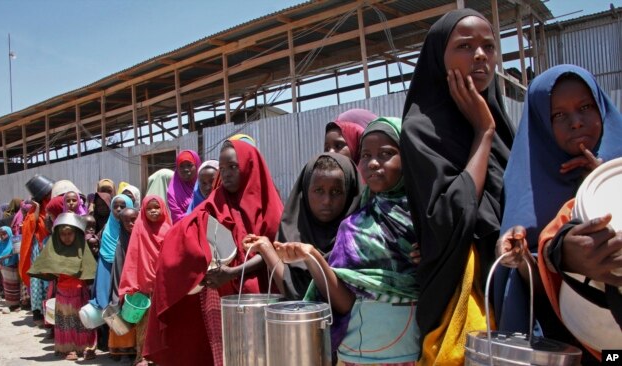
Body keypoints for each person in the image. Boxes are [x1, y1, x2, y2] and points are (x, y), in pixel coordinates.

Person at [253, 117, 420, 365]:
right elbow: (344, 301)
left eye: (386, 153)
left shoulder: (427, 217)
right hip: (355, 353)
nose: (373, 163)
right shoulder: (354, 225)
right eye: (365, 155)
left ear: (408, 156)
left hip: (411, 351)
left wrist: (436, 253)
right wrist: (311, 256)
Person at [399, 9, 515, 364]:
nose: (480, 55)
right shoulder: (421, 130)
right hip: (457, 292)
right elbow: (448, 218)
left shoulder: (502, 123)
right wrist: (482, 135)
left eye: (489, 47)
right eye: (465, 46)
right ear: (439, 56)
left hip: (511, 281)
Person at [496, 65, 622, 361]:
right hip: (566, 343)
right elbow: (531, 294)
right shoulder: (527, 189)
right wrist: (554, 257)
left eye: (585, 107)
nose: (576, 122)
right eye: (559, 115)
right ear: (541, 122)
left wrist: (604, 180)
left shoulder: (617, 173)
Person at [145, 140, 283, 366]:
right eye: (223, 168)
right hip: (222, 296)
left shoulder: (268, 201)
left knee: (262, 355)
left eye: (233, 167)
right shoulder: (216, 201)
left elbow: (276, 249)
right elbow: (187, 229)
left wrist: (235, 271)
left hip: (263, 294)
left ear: (249, 166)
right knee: (227, 354)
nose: (226, 174)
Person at [249, 152, 362, 299]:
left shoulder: (360, 236)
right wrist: (266, 248)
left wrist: (311, 257)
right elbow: (292, 291)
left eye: (336, 192)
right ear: (305, 191)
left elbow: (349, 303)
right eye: (318, 191)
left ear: (349, 192)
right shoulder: (293, 233)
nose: (327, 200)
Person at [28, 213, 97, 361]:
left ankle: (85, 346)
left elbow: (90, 271)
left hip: (80, 293)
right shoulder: (55, 249)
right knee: (67, 323)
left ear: (76, 234)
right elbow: (44, 266)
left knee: (82, 321)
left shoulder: (81, 248)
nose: (66, 237)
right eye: (63, 234)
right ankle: (68, 348)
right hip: (64, 294)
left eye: (70, 233)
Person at [120, 195, 171, 366]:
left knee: (164, 324)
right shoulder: (140, 229)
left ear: (163, 208)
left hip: (164, 285)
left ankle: (162, 357)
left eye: (157, 207)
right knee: (145, 326)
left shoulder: (168, 229)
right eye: (149, 208)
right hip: (144, 287)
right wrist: (131, 284)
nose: (154, 211)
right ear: (143, 210)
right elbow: (133, 259)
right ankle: (142, 356)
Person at [107, 208, 138, 360]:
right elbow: (119, 269)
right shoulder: (121, 243)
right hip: (125, 285)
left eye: (134, 219)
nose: (131, 224)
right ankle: (124, 349)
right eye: (126, 221)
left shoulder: (142, 238)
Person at [167, 149, 202, 223]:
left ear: (197, 165)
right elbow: (177, 218)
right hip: (184, 230)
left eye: (189, 165)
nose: (185, 169)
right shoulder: (172, 193)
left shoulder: (205, 185)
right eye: (181, 166)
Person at [0, 226, 21, 312]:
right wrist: (4, 257)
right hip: (4, 268)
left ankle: (17, 304)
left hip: (14, 266)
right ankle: (11, 304)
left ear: (9, 233)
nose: (2, 236)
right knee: (7, 287)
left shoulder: (14, 241)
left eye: (4, 234)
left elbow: (18, 251)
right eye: (0, 234)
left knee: (16, 286)